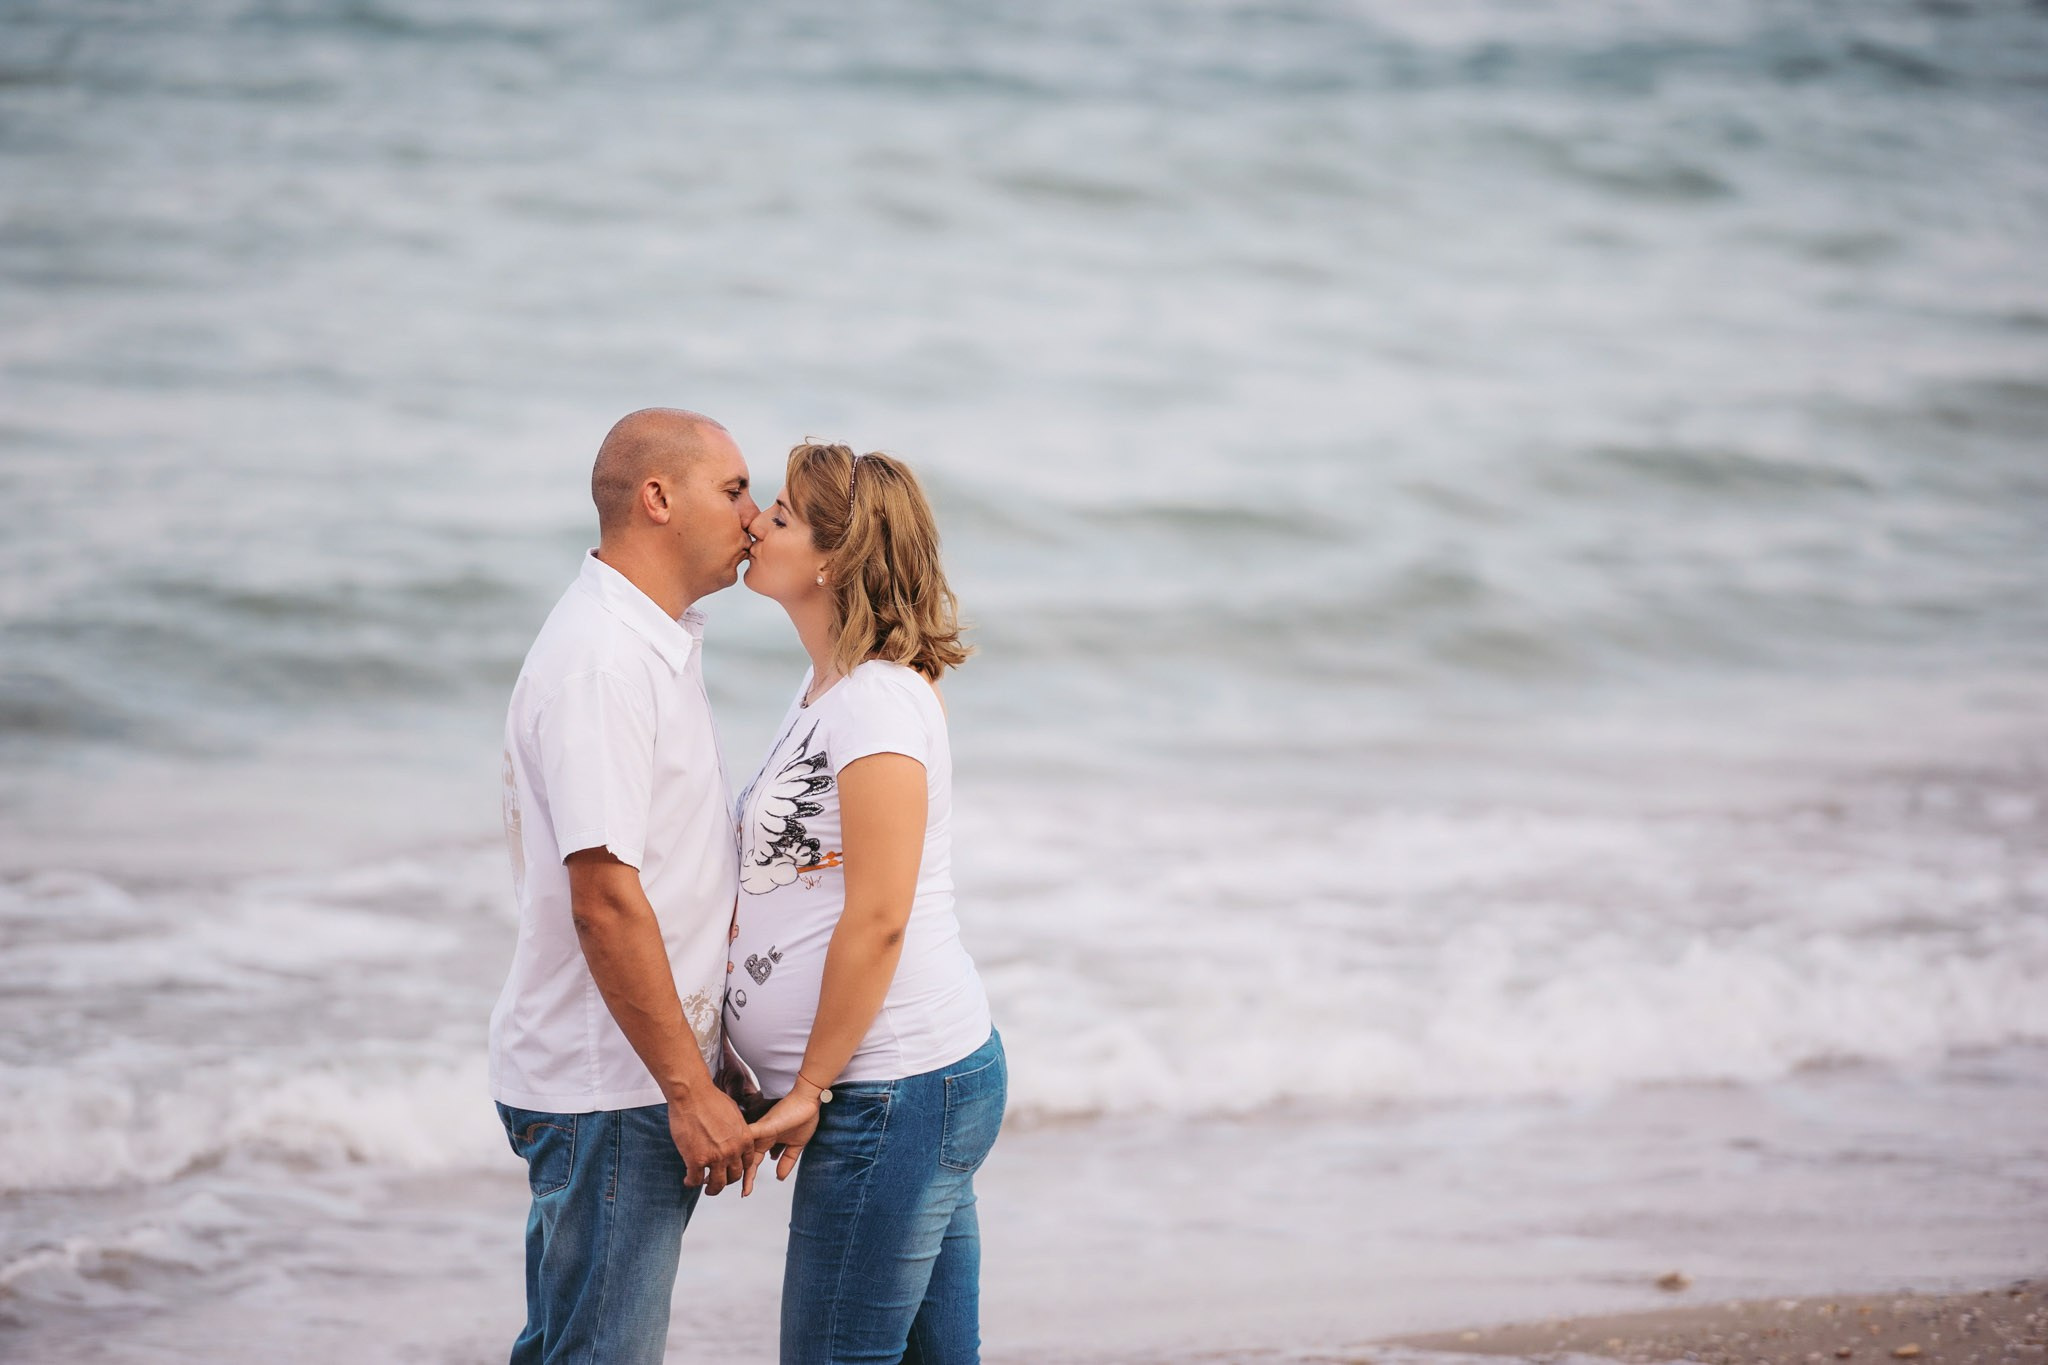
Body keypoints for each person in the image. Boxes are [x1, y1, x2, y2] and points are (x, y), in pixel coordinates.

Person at [490, 408, 765, 1365]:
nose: (755, 514)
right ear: (658, 498)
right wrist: (686, 1087)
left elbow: (671, 872)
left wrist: (707, 1052)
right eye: (733, 490)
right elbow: (604, 899)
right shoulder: (603, 662)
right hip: (611, 1088)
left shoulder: (650, 642)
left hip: (630, 1073)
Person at [730, 441, 1006, 1365]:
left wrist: (809, 1084)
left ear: (834, 558)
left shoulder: (877, 704)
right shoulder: (827, 686)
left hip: (893, 1091)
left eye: (779, 514)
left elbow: (880, 916)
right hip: (905, 1089)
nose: (754, 522)